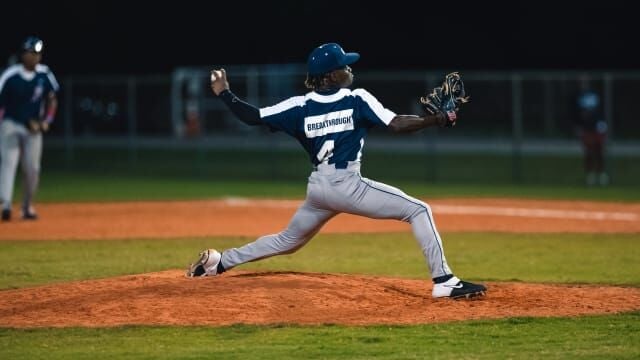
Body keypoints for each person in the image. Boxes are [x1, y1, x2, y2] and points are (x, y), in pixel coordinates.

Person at [186, 43, 486, 299]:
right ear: (331, 75)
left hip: (319, 189)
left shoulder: (299, 106)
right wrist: (434, 121)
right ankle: (444, 282)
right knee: (419, 210)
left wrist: (224, 92)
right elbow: (396, 124)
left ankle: (219, 263)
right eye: (345, 66)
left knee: (287, 241)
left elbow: (252, 116)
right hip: (348, 186)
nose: (350, 70)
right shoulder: (356, 98)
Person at [0, 36, 59, 221]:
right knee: (9, 163)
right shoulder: (11, 75)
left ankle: (26, 207)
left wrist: (47, 121)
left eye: (38, 54)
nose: (35, 57)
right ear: (23, 54)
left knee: (33, 168)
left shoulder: (44, 74)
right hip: (11, 124)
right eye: (31, 53)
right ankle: (6, 205)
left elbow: (52, 99)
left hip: (33, 128)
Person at [574, 76, 608, 186]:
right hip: (586, 128)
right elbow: (576, 113)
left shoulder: (595, 94)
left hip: (597, 127)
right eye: (581, 81)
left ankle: (602, 175)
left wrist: (602, 122)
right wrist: (578, 126)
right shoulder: (577, 96)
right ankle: (590, 176)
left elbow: (602, 109)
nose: (583, 83)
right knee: (588, 152)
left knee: (599, 150)